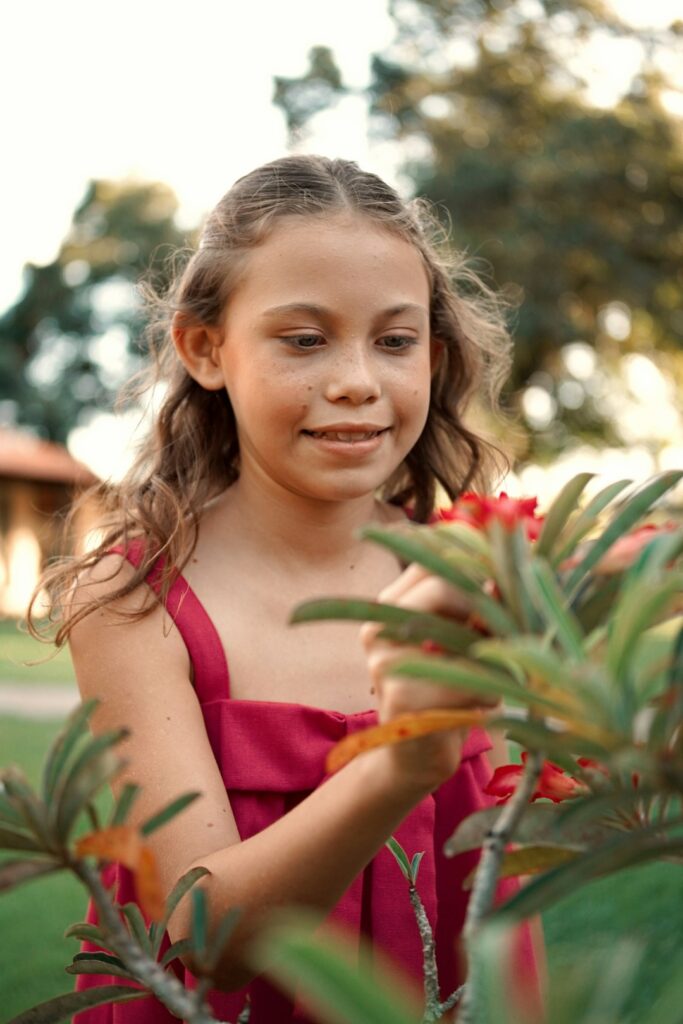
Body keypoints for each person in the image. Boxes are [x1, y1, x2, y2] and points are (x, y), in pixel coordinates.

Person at [30, 155, 540, 1022]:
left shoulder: (472, 568)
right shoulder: (135, 601)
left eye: (393, 339)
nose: (356, 380)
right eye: (303, 339)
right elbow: (203, 935)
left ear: (433, 354)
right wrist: (398, 766)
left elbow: (510, 872)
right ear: (205, 349)